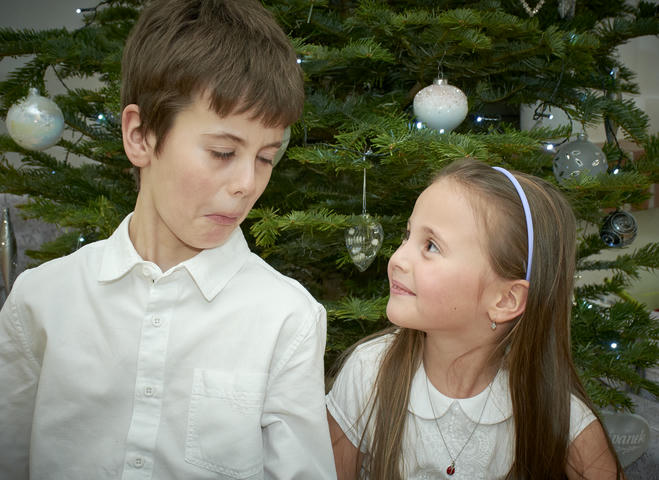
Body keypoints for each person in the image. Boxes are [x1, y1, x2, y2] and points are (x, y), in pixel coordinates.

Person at [0, 1, 336, 478]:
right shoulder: (41, 300)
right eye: (223, 152)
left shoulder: (287, 318)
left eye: (266, 158)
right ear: (140, 136)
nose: (247, 184)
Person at [327, 158, 624, 479]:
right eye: (407, 235)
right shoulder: (369, 372)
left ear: (505, 300)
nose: (397, 258)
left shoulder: (562, 423)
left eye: (431, 246)